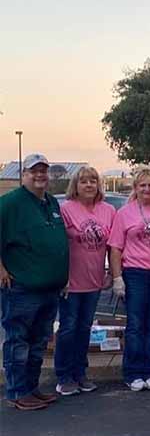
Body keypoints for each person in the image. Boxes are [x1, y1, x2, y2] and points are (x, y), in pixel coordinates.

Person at [0, 154, 68, 410]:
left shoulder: (50, 202)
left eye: (43, 171)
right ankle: (17, 392)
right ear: (24, 174)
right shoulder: (9, 203)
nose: (40, 175)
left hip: (49, 289)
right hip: (21, 288)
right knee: (18, 341)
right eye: (34, 171)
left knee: (39, 343)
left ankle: (32, 387)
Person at [109, 166, 150, 391]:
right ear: (135, 188)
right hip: (135, 272)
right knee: (135, 324)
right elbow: (115, 248)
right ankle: (132, 372)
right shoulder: (124, 213)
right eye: (142, 185)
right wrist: (117, 277)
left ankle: (148, 369)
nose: (147, 189)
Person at [55, 167, 115, 396]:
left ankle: (80, 373)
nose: (89, 185)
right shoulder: (66, 210)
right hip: (71, 282)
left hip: (94, 281)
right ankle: (64, 376)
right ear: (75, 186)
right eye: (83, 181)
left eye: (93, 181)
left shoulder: (108, 210)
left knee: (84, 329)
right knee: (68, 328)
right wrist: (61, 276)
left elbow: (112, 246)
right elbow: (59, 246)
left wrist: (110, 273)